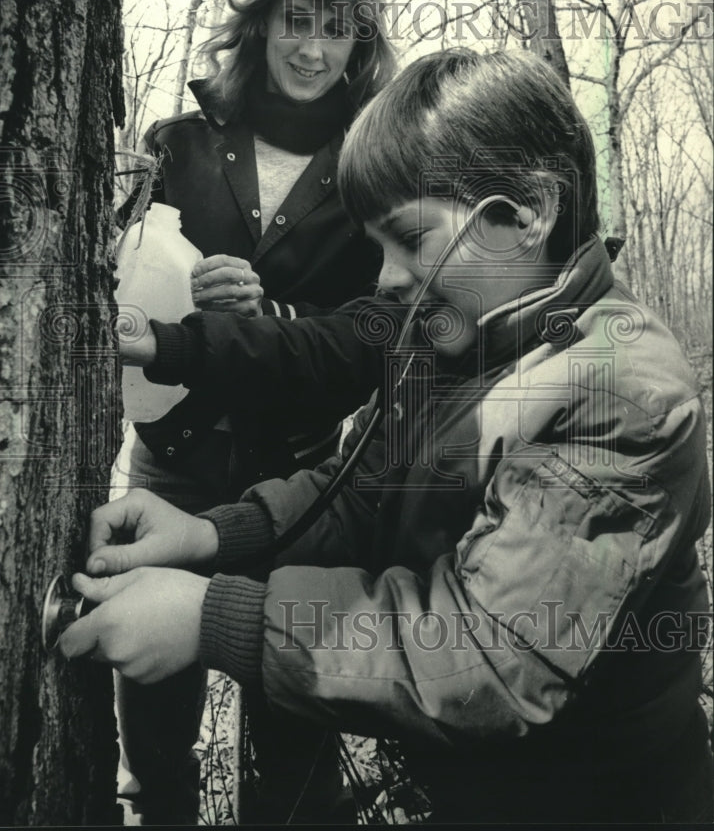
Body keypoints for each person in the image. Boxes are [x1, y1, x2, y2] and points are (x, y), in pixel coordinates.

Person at [67, 49, 712, 823]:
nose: (387, 280)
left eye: (409, 239)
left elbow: (484, 660)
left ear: (526, 214)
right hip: (468, 790)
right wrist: (206, 537)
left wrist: (211, 621)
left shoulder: (616, 386)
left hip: (600, 801)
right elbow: (358, 494)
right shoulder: (448, 332)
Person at [112, 0, 395, 824]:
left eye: (336, 26)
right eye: (296, 20)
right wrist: (174, 280)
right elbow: (120, 277)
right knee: (155, 719)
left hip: (299, 476)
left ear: (360, 41)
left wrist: (268, 320)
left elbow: (364, 346)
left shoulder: (369, 169)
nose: (312, 49)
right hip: (173, 461)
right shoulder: (178, 143)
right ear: (262, 20)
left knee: (295, 725)